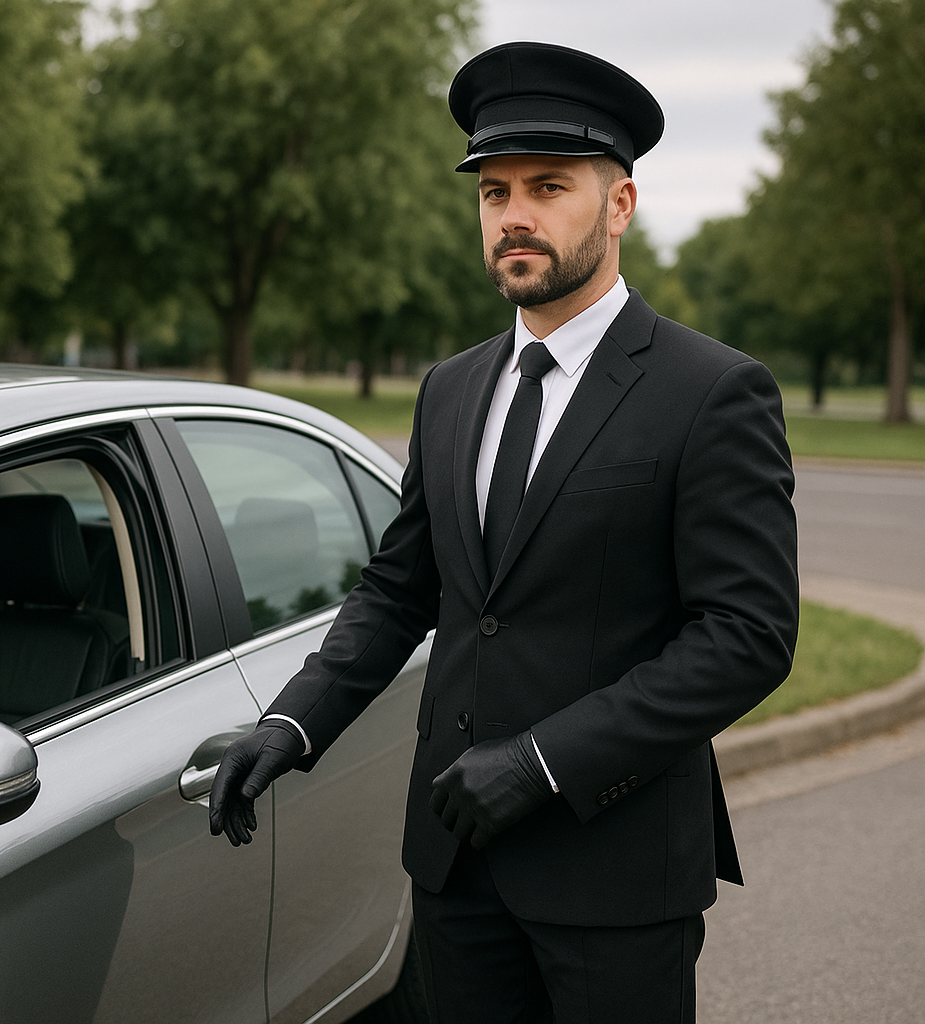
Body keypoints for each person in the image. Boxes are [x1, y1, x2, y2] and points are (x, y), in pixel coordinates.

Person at [210, 41, 799, 1024]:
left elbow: (747, 636)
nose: (513, 215)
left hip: (615, 872)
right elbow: (400, 590)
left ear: (619, 205)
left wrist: (543, 761)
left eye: (547, 187)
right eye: (494, 192)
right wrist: (292, 722)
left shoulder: (713, 392)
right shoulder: (449, 389)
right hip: (456, 864)